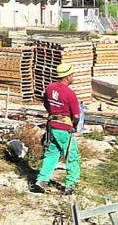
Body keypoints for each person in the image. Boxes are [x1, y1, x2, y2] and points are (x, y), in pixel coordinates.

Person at [33, 63, 83, 195]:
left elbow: (46, 103)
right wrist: (74, 126)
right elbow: (77, 116)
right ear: (67, 77)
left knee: (52, 153)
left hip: (52, 125)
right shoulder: (70, 93)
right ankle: (70, 185)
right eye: (72, 75)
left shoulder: (49, 88)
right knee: (71, 156)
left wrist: (53, 113)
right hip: (64, 128)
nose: (73, 77)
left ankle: (42, 180)